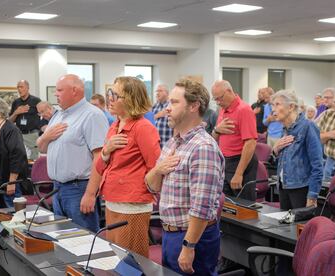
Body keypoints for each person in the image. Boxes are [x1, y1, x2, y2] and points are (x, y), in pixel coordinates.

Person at [145, 79, 224, 275]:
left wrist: (189, 246)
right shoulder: (174, 142)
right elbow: (151, 185)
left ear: (194, 106)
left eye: (174, 102)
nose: (168, 108)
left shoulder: (203, 148)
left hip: (193, 238)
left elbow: (202, 206)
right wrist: (158, 169)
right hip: (170, 233)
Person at [95, 77, 160, 257]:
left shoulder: (143, 128)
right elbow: (100, 167)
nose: (110, 99)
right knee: (115, 257)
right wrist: (106, 150)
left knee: (131, 260)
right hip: (112, 200)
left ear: (131, 99)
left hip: (133, 205)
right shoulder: (114, 126)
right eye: (110, 93)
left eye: (116, 95)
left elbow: (155, 169)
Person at [37, 74, 108, 232]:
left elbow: (100, 157)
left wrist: (90, 194)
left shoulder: (92, 115)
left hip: (79, 189)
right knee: (63, 240)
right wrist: (46, 137)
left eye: (59, 90)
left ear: (74, 91)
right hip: (57, 189)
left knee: (84, 243)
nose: (56, 94)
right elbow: (42, 148)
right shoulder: (58, 115)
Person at [271, 90, 323, 210]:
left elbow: (317, 165)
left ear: (291, 107)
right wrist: (275, 150)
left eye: (277, 104)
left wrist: (312, 195)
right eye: (272, 105)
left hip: (300, 188)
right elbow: (283, 161)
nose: (273, 110)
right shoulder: (285, 129)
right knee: (285, 228)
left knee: (299, 227)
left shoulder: (308, 127)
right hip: (284, 186)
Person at [211, 80, 258, 201]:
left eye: (219, 98)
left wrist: (239, 173)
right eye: (215, 99)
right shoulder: (223, 109)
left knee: (243, 206)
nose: (218, 102)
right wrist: (217, 130)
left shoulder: (244, 110)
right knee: (226, 205)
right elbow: (214, 137)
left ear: (229, 92)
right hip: (226, 162)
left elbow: (250, 143)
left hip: (240, 162)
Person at [0, 97, 27, 207]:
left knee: (13, 218)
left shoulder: (11, 129)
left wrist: (11, 182)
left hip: (7, 183)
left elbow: (18, 156)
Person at [9, 80, 41, 160]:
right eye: (18, 87)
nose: (19, 89)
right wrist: (16, 112)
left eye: (21, 87)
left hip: (33, 135)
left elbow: (44, 115)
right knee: (20, 158)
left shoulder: (36, 101)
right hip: (19, 135)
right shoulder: (15, 102)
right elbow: (10, 121)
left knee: (34, 159)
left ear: (27, 88)